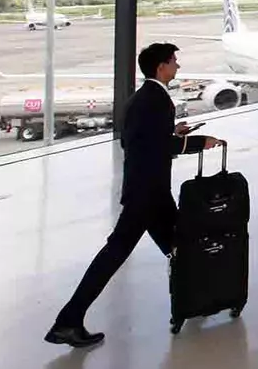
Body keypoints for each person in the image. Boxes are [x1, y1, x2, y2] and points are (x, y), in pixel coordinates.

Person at [46, 43, 223, 348]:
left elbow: (135, 141)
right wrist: (198, 142)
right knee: (116, 253)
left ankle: (195, 301)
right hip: (147, 195)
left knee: (181, 246)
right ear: (161, 67)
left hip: (150, 191)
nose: (178, 66)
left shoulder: (142, 98)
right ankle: (68, 321)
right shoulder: (156, 100)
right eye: (174, 61)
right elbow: (156, 146)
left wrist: (174, 133)